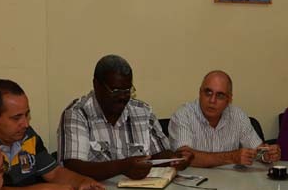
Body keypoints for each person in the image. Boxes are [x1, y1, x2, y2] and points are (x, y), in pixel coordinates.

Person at [57, 54, 193, 180]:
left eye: (127, 90)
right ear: (96, 85)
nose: (122, 97)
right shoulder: (77, 114)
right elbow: (73, 167)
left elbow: (158, 154)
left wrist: (174, 159)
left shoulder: (143, 112)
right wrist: (121, 167)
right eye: (116, 90)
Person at [0, 78, 110, 190]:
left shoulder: (27, 135)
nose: (25, 124)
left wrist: (82, 181)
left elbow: (54, 173)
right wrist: (45, 189)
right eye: (16, 118)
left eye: (26, 115)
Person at [169, 70, 281, 168]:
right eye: (208, 93)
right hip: (193, 188)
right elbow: (183, 157)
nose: (212, 100)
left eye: (220, 95)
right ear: (200, 93)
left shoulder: (238, 116)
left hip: (230, 186)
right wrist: (231, 157)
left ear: (229, 99)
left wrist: (267, 155)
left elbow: (257, 150)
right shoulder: (183, 115)